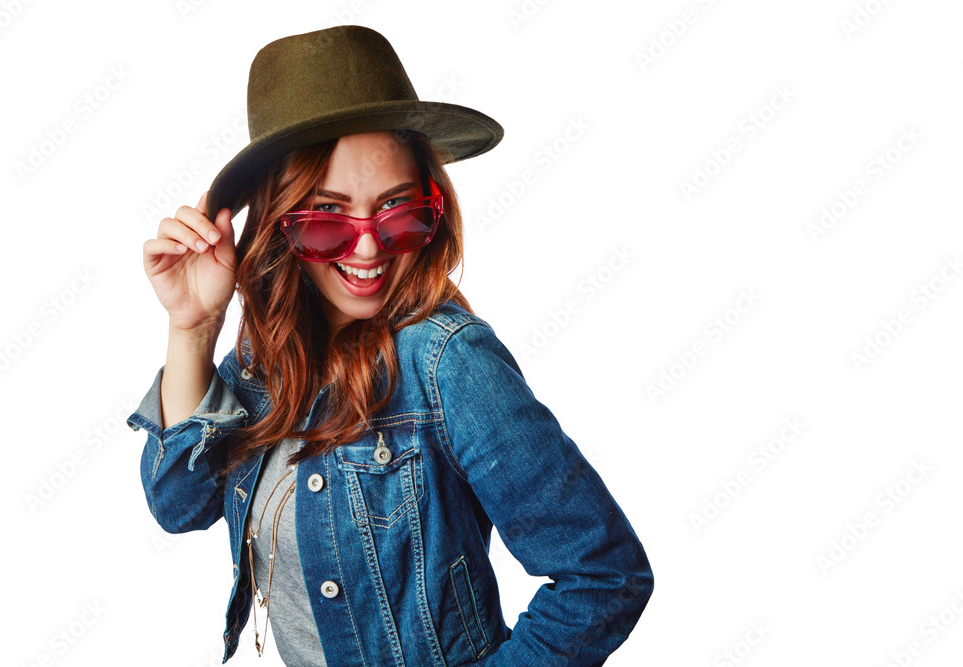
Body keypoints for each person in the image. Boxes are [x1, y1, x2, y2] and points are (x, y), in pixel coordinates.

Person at [126, 25, 653, 666]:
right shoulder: (265, 369)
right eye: (326, 221)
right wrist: (192, 326)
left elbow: (604, 576)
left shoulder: (447, 362)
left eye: (398, 211)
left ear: (433, 208)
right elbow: (178, 503)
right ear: (277, 226)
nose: (370, 249)